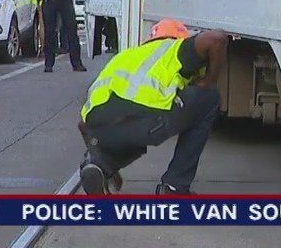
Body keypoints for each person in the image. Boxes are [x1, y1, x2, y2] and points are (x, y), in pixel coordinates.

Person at [77, 19, 230, 196]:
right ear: (178, 38)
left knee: (126, 133)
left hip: (98, 127)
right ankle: (174, 186)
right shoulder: (174, 48)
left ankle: (100, 165)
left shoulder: (124, 56)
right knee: (209, 97)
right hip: (146, 121)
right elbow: (217, 38)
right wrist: (209, 81)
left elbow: (83, 125)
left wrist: (98, 150)